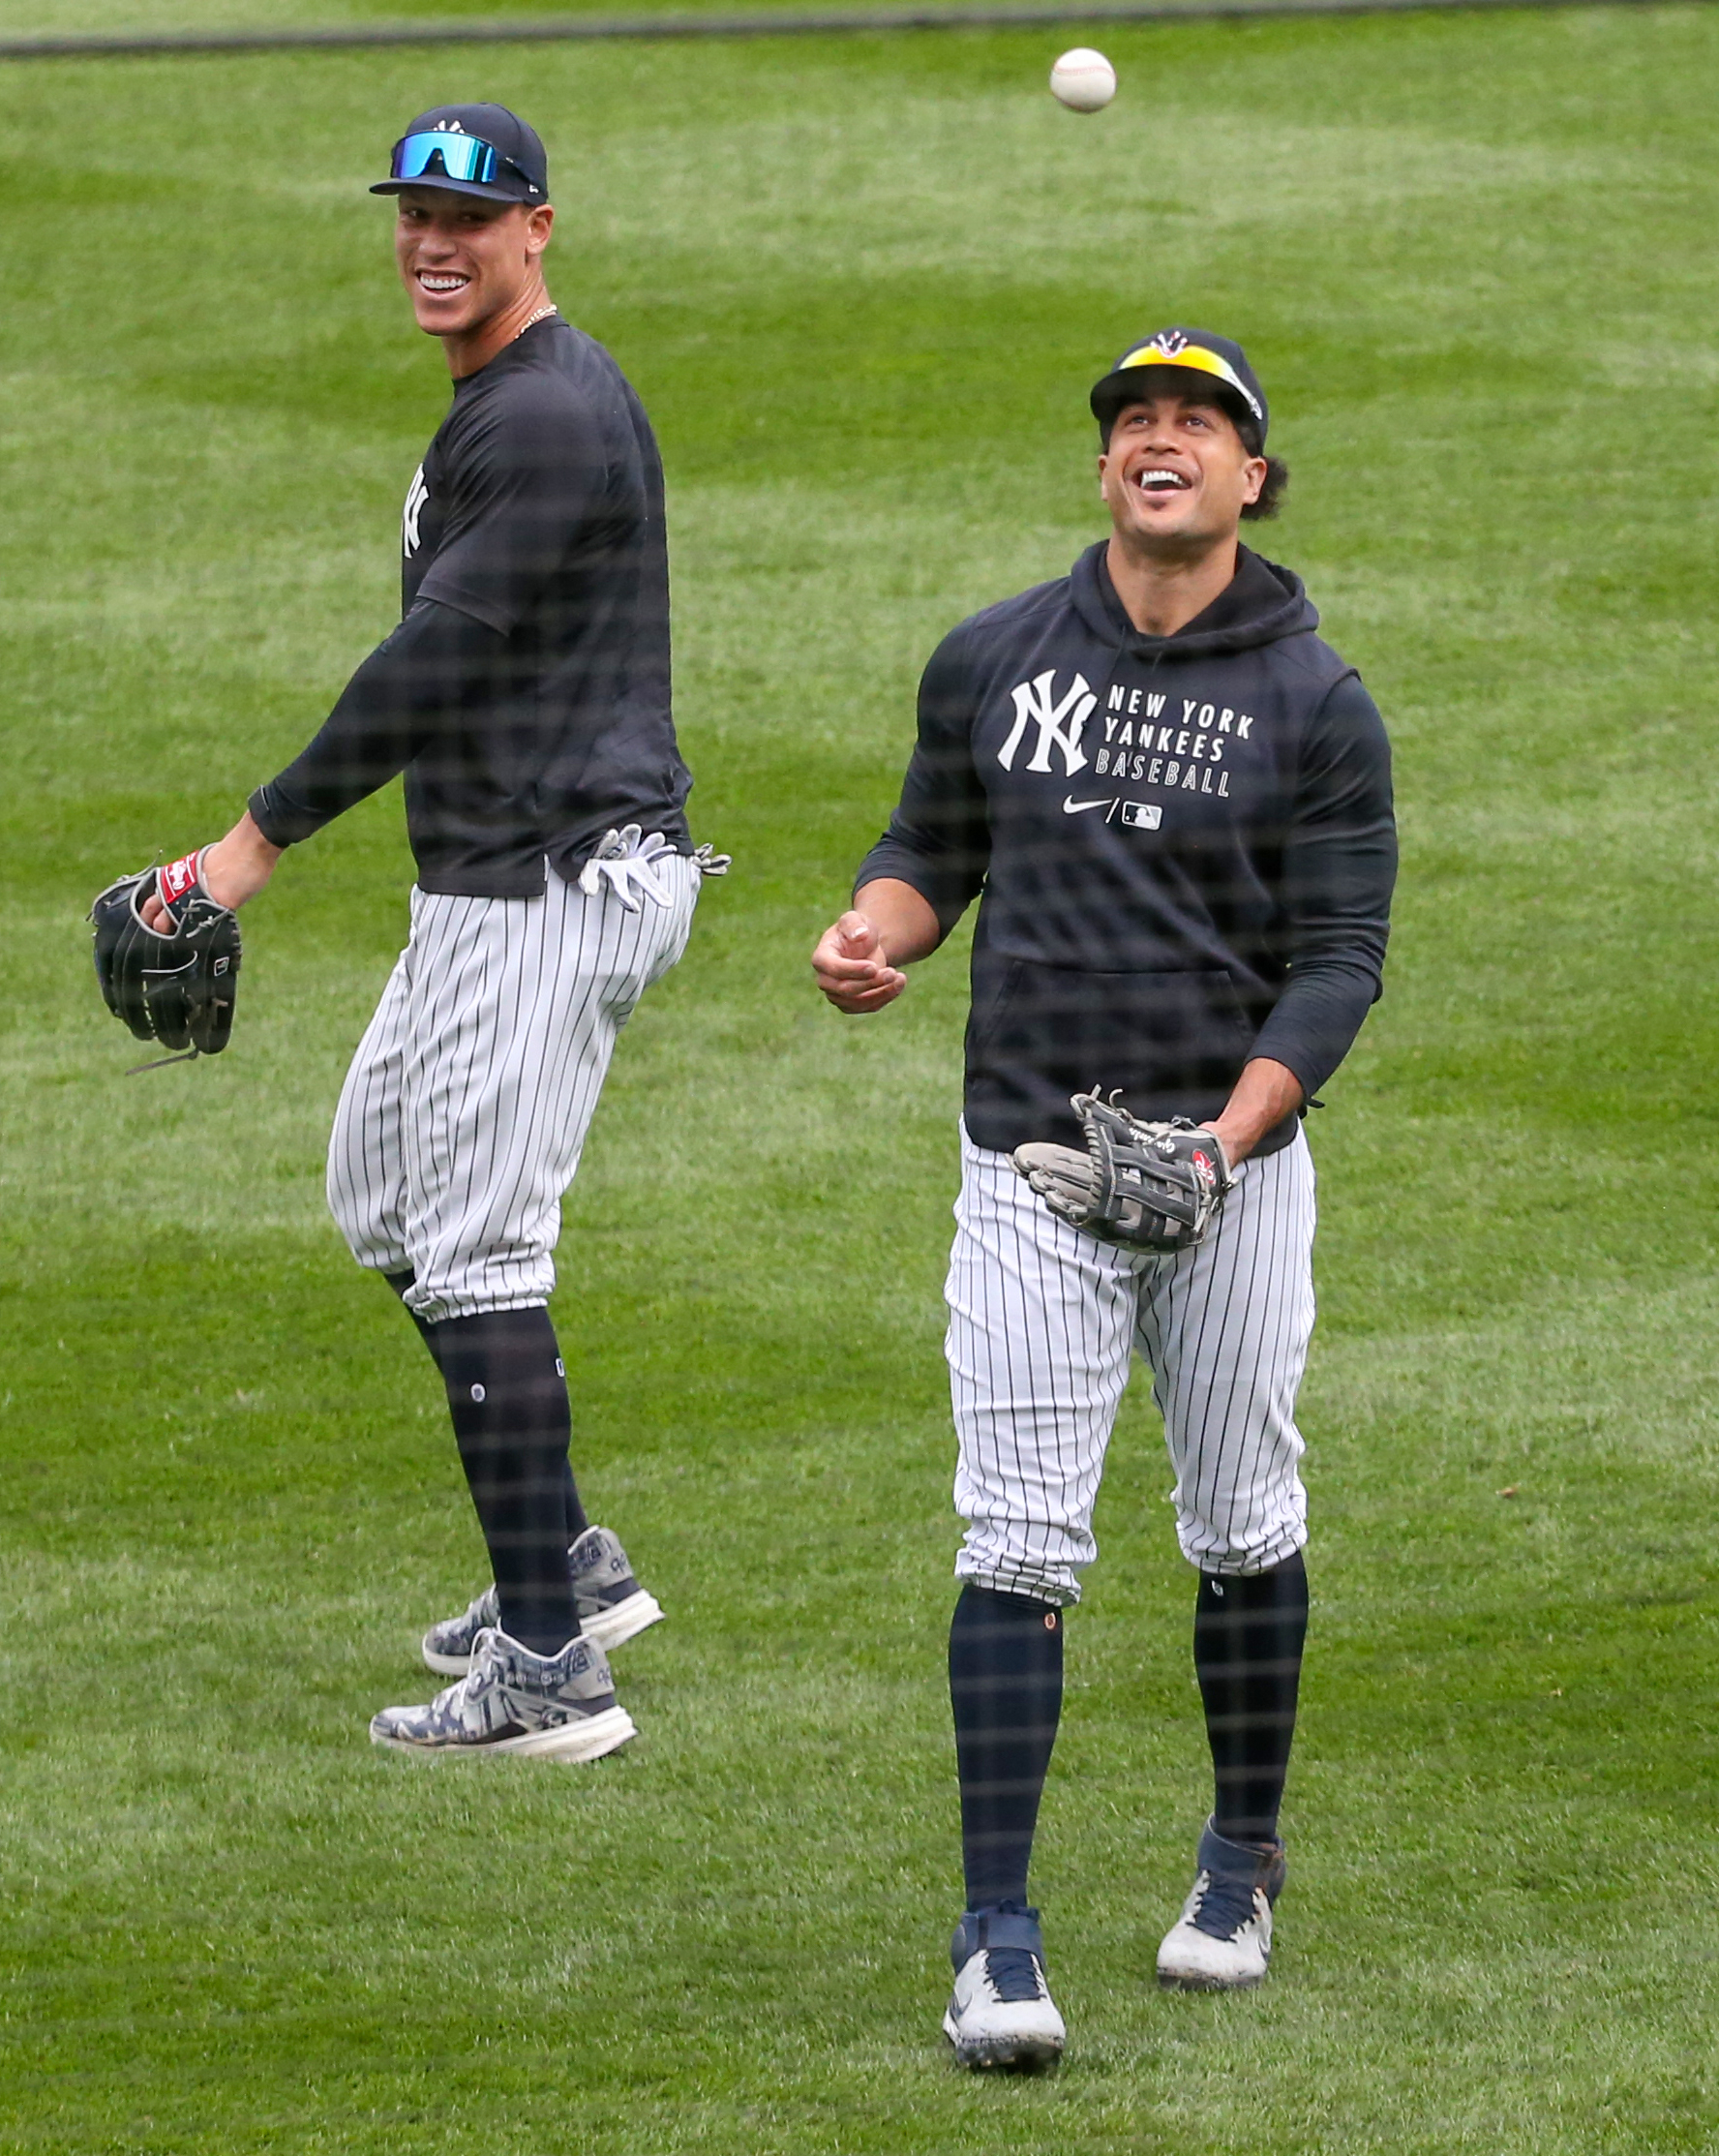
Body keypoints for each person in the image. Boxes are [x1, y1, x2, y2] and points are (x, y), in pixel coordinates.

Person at [812, 328, 1395, 2067]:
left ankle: (1239, 1859)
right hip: (1030, 1165)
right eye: (1136, 422)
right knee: (1016, 1538)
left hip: (1233, 1178)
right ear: (1104, 471)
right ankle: (997, 1937)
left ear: (1251, 478)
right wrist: (875, 931)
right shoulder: (996, 655)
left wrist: (1223, 1143)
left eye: (1197, 425)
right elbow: (933, 845)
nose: (1161, 442)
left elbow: (1342, 963)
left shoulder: (1317, 699)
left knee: (1239, 1521)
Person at [134, 104, 725, 1761]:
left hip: (548, 875)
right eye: (413, 214)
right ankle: (567, 1564)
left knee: (476, 1254)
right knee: (379, 1193)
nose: (434, 243)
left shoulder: (540, 419)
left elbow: (434, 664)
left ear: (539, 227)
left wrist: (240, 853)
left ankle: (552, 1675)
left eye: (471, 217)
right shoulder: (512, 398)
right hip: (498, 870)